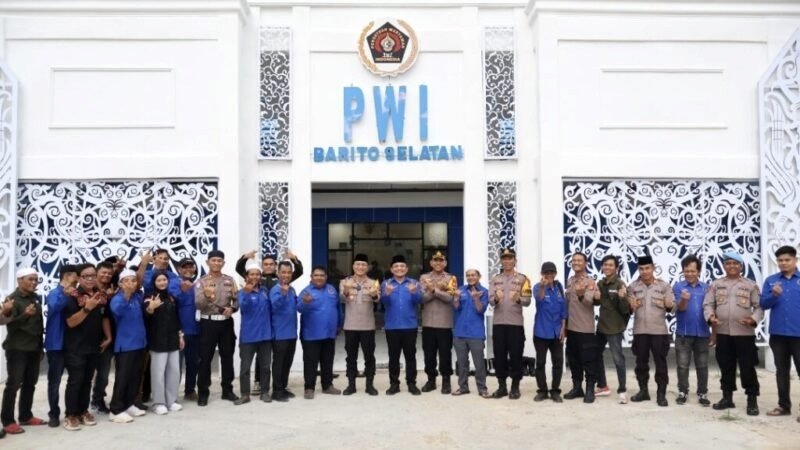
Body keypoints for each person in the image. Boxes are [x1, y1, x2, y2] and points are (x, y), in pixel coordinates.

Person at [235, 249, 303, 395]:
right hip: (264, 325)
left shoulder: (281, 280)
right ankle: (260, 382)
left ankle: (279, 386)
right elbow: (241, 270)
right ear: (261, 266)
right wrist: (245, 258)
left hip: (277, 326)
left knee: (274, 359)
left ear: (275, 266)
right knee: (262, 359)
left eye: (271, 264)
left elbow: (298, 272)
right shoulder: (258, 280)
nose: (268, 266)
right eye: (265, 264)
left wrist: (294, 259)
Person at [703, 250, 762, 416]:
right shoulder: (716, 284)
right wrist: (710, 317)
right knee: (726, 367)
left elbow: (759, 307)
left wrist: (753, 319)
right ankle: (727, 398)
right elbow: (708, 304)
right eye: (728, 263)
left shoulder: (750, 285)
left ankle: (752, 400)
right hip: (723, 333)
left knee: (747, 368)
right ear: (724, 266)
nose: (732, 266)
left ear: (741, 266)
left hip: (744, 334)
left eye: (735, 263)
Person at [62, 263, 113, 431]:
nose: (90, 279)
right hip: (76, 346)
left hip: (93, 345)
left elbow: (104, 316)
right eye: (86, 276)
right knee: (75, 380)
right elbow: (70, 322)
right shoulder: (72, 296)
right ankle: (70, 414)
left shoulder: (100, 295)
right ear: (78, 278)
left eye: (93, 275)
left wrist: (108, 336)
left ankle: (83, 411)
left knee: (87, 380)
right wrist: (86, 309)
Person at [1, 268, 46, 435]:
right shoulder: (12, 300)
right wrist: (25, 315)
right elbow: (10, 326)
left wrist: (40, 347)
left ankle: (26, 416)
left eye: (36, 279)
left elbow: (38, 325)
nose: (34, 282)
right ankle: (8, 421)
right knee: (13, 385)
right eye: (30, 279)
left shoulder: (34, 297)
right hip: (17, 349)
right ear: (20, 280)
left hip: (33, 348)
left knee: (30, 384)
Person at [628, 255, 675, 407]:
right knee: (641, 363)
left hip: (659, 331)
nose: (645, 271)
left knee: (661, 363)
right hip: (640, 331)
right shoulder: (633, 287)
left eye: (647, 268)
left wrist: (670, 305)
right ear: (638, 270)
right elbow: (629, 308)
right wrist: (630, 306)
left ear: (653, 268)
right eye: (641, 269)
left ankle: (661, 394)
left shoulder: (664, 286)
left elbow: (671, 307)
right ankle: (643, 391)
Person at [194, 250, 239, 406]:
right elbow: (198, 305)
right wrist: (206, 296)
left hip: (226, 323)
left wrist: (232, 309)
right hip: (208, 323)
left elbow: (237, 300)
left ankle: (227, 390)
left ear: (223, 263)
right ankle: (203, 393)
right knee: (205, 358)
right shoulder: (201, 282)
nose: (216, 263)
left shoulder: (230, 280)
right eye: (213, 260)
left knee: (227, 357)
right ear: (208, 262)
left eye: (219, 261)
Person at [761, 245, 800, 421]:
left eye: (787, 260)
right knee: (782, 371)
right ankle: (784, 406)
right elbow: (763, 304)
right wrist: (774, 295)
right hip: (778, 334)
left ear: (795, 260)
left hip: (798, 334)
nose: (783, 263)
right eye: (780, 260)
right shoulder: (771, 281)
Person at [488, 248, 532, 400]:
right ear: (501, 261)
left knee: (516, 356)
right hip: (499, 324)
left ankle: (515, 386)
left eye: (510, 258)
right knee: (499, 355)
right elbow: (490, 301)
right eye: (504, 258)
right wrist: (496, 298)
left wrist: (519, 298)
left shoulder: (523, 279)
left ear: (515, 261)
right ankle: (502, 387)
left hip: (515, 325)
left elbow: (528, 301)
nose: (507, 261)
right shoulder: (495, 279)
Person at [108, 269, 148, 423]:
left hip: (139, 343)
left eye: (133, 281)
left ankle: (129, 403)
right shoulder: (117, 299)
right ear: (120, 284)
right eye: (127, 281)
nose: (131, 283)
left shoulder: (137, 297)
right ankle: (115, 409)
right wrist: (126, 294)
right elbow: (117, 311)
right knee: (123, 378)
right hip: (125, 345)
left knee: (135, 377)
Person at [380, 254, 423, 395]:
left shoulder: (414, 283)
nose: (399, 268)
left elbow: (419, 301)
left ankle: (411, 383)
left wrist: (414, 293)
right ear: (391, 269)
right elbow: (383, 303)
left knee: (410, 356)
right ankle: (394, 384)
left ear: (407, 268)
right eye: (396, 266)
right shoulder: (386, 284)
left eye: (402, 266)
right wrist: (386, 294)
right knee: (393, 357)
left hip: (410, 325)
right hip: (392, 326)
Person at [672, 254, 711, 406]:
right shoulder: (678, 287)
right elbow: (679, 309)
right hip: (684, 333)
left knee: (702, 366)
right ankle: (683, 392)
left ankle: (702, 392)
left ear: (699, 271)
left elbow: (711, 309)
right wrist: (683, 299)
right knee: (682, 366)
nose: (689, 274)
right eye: (686, 271)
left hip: (702, 332)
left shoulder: (707, 288)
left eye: (693, 271)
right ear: (683, 271)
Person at [297, 266, 342, 399]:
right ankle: (309, 388)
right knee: (310, 363)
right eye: (316, 275)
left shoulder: (331, 290)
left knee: (327, 361)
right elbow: (299, 309)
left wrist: (339, 324)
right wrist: (305, 303)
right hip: (311, 334)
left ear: (326, 277)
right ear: (311, 277)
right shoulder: (306, 292)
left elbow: (338, 308)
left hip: (329, 333)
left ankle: (327, 385)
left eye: (322, 275)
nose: (319, 278)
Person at [339, 253, 380, 396]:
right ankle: (351, 385)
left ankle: (370, 385)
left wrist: (374, 294)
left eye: (363, 265)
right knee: (351, 357)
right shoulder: (345, 282)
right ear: (353, 266)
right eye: (358, 264)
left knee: (369, 357)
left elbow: (378, 299)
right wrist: (346, 290)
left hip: (368, 326)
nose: (360, 267)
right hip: (350, 326)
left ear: (367, 267)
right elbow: (341, 298)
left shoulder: (373, 282)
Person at [43, 264, 78, 427]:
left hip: (73, 344)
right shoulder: (55, 293)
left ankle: (73, 411)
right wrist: (65, 294)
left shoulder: (76, 294)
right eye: (75, 276)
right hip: (56, 344)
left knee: (76, 379)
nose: (77, 279)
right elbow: (55, 307)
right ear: (66, 276)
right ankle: (54, 414)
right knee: (54, 381)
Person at [593, 254, 631, 404]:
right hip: (602, 326)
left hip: (614, 328)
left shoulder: (620, 284)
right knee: (595, 354)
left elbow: (625, 310)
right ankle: (602, 385)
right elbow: (598, 303)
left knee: (618, 359)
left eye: (610, 265)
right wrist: (596, 298)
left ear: (616, 268)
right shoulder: (600, 283)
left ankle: (622, 390)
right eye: (605, 265)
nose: (607, 267)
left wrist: (623, 298)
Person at [234, 260, 273, 405]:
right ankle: (245, 394)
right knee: (245, 368)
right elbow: (243, 308)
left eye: (257, 274)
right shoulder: (241, 293)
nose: (255, 277)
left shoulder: (265, 291)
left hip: (265, 336)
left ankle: (265, 392)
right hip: (248, 337)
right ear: (246, 276)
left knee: (265, 367)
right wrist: (246, 292)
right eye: (252, 274)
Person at [145, 271, 184, 415]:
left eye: (164, 280)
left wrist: (180, 336)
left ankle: (171, 400)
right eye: (159, 280)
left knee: (174, 371)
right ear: (154, 282)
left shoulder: (172, 297)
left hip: (173, 339)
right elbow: (146, 314)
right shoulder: (149, 296)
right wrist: (151, 308)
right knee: (158, 373)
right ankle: (159, 403)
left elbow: (176, 318)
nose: (162, 283)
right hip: (157, 340)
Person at [419, 251, 457, 394]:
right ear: (431, 263)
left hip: (444, 323)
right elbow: (422, 298)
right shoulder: (424, 278)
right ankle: (431, 380)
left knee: (445, 354)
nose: (438, 263)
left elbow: (450, 298)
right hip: (428, 322)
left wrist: (434, 290)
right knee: (429, 354)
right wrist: (438, 291)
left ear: (445, 263)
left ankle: (446, 381)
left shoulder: (451, 278)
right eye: (435, 260)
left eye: (441, 260)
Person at [563, 252, 599, 403]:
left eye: (579, 260)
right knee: (574, 360)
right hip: (571, 327)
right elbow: (567, 304)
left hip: (585, 328)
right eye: (574, 260)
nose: (576, 262)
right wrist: (564, 326)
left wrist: (581, 295)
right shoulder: (570, 281)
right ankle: (577, 387)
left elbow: (590, 302)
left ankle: (590, 389)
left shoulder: (590, 282)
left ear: (585, 263)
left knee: (588, 361)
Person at [532, 261, 568, 403]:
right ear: (542, 274)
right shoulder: (538, 287)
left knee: (558, 362)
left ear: (555, 273)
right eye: (546, 273)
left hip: (556, 332)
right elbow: (539, 299)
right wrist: (543, 286)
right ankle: (542, 391)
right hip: (541, 332)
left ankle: (555, 391)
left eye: (551, 272)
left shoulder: (559, 288)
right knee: (540, 362)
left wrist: (563, 329)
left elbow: (563, 310)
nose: (549, 275)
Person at [451, 269, 489, 397]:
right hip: (460, 332)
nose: (470, 277)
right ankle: (463, 387)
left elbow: (480, 310)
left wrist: (476, 298)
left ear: (479, 276)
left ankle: (482, 388)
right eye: (468, 275)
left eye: (473, 275)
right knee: (462, 363)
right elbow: (455, 308)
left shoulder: (484, 291)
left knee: (479, 363)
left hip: (476, 333)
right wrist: (456, 298)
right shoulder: (460, 290)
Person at [90, 261, 118, 414]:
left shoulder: (113, 289)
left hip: (107, 337)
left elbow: (107, 315)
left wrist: (109, 337)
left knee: (103, 373)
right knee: (85, 373)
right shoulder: (87, 289)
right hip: (88, 337)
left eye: (109, 273)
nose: (106, 276)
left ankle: (98, 399)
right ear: (97, 272)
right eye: (103, 272)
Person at [269, 261, 299, 402]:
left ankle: (283, 387)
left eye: (289, 272)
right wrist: (282, 294)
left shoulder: (291, 289)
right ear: (278, 273)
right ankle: (277, 391)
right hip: (280, 334)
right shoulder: (275, 290)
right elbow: (274, 307)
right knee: (279, 363)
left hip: (291, 333)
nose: (286, 275)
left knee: (287, 362)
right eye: (283, 272)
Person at [171, 258, 199, 401]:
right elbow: (172, 302)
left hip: (196, 330)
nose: (188, 270)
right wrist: (182, 290)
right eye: (184, 267)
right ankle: (172, 394)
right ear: (179, 270)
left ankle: (190, 390)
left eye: (190, 267)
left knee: (193, 363)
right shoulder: (174, 283)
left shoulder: (198, 284)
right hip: (180, 331)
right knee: (176, 365)